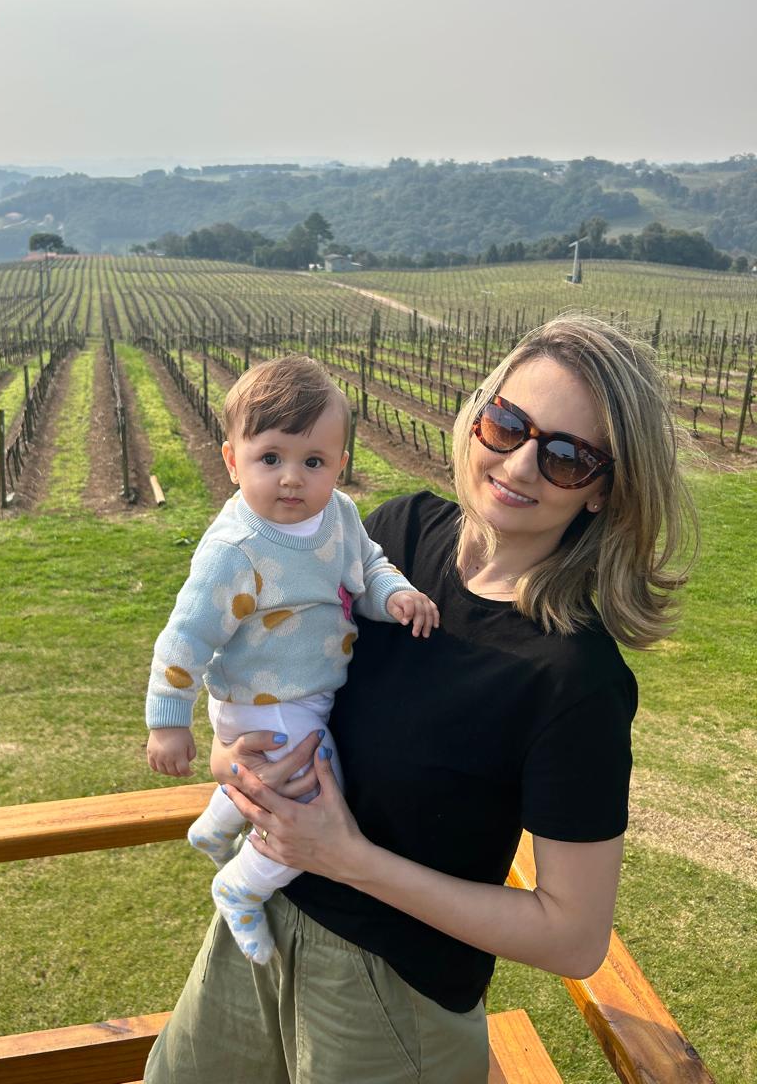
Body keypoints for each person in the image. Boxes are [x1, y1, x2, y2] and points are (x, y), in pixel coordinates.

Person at [143, 313, 696, 1084]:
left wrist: (352, 861)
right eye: (509, 424)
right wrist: (229, 754)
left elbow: (572, 937)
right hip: (258, 923)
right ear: (479, 417)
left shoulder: (572, 677)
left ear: (604, 489)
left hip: (388, 995)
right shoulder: (396, 535)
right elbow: (276, 662)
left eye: (568, 457)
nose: (521, 463)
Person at [145, 354, 438, 965]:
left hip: (305, 692)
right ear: (233, 461)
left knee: (285, 778)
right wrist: (168, 721)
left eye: (313, 462)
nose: (291, 479)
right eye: (271, 458)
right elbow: (185, 638)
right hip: (265, 699)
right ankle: (243, 885)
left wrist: (395, 596)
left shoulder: (340, 516)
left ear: (340, 465)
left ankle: (217, 824)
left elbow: (368, 570)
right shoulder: (236, 550)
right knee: (314, 795)